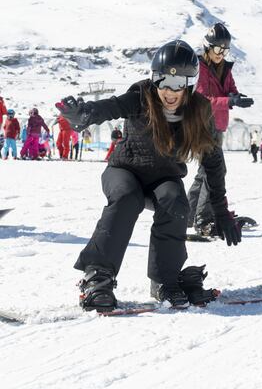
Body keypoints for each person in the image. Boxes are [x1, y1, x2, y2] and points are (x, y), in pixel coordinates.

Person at [56, 40, 241, 312]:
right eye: (163, 81)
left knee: (175, 202)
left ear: (190, 84)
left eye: (179, 84)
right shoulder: (142, 95)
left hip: (164, 177)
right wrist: (84, 115)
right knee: (126, 197)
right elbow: (111, 107)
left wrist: (221, 211)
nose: (170, 90)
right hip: (124, 169)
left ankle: (164, 280)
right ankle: (98, 277)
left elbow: (213, 163)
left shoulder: (200, 110)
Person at [186, 22, 254, 235]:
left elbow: (230, 88)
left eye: (225, 50)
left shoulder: (225, 67)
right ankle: (204, 219)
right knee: (216, 170)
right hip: (202, 126)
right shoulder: (200, 68)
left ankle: (187, 215)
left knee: (204, 172)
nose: (221, 54)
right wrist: (229, 102)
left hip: (217, 125)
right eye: (217, 49)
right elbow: (204, 99)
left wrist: (236, 96)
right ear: (207, 47)